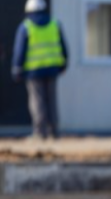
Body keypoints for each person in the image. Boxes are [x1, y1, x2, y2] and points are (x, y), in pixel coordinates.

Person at [12, 0, 68, 141]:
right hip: (52, 69)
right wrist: (63, 64)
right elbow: (63, 47)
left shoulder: (26, 27)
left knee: (38, 102)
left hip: (34, 70)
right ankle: (54, 132)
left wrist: (17, 68)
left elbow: (19, 50)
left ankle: (40, 133)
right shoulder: (55, 24)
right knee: (52, 101)